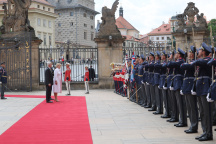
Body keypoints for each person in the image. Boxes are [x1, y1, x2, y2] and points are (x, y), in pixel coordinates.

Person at [192, 42, 213, 141]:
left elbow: (199, 62)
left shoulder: (207, 60)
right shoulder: (202, 60)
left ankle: (209, 134)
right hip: (200, 87)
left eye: (200, 50)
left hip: (205, 87)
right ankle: (205, 131)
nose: (198, 52)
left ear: (204, 52)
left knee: (206, 112)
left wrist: (196, 58)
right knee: (202, 112)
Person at [180, 46, 198, 134]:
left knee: (192, 107)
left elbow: (183, 66)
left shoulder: (195, 62)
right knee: (189, 107)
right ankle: (192, 125)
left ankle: (194, 126)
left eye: (191, 52)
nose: (189, 54)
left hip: (191, 85)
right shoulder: (190, 62)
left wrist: (186, 63)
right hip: (186, 86)